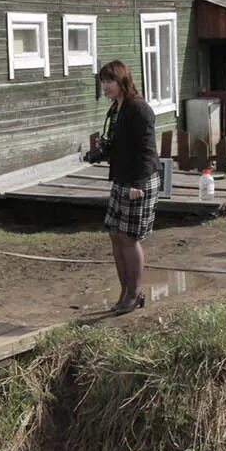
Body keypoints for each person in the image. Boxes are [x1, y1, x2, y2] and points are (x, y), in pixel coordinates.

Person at [82, 60, 160, 313]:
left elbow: (147, 151)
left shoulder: (139, 109)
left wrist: (137, 183)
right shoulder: (117, 109)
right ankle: (125, 291)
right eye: (103, 82)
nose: (105, 87)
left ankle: (134, 294)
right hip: (121, 177)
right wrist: (99, 153)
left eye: (109, 81)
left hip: (140, 180)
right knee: (115, 234)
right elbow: (119, 143)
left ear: (122, 81)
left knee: (129, 237)